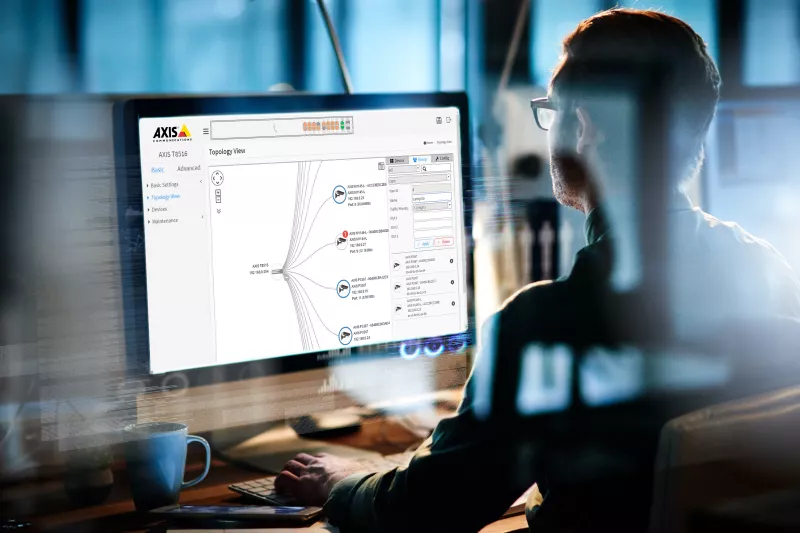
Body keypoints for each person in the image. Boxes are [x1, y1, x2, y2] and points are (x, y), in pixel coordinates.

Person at [274, 8, 800, 533]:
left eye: (553, 111)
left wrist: (345, 483)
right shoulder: (768, 270)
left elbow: (420, 512)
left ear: (586, 127)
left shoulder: (540, 326)